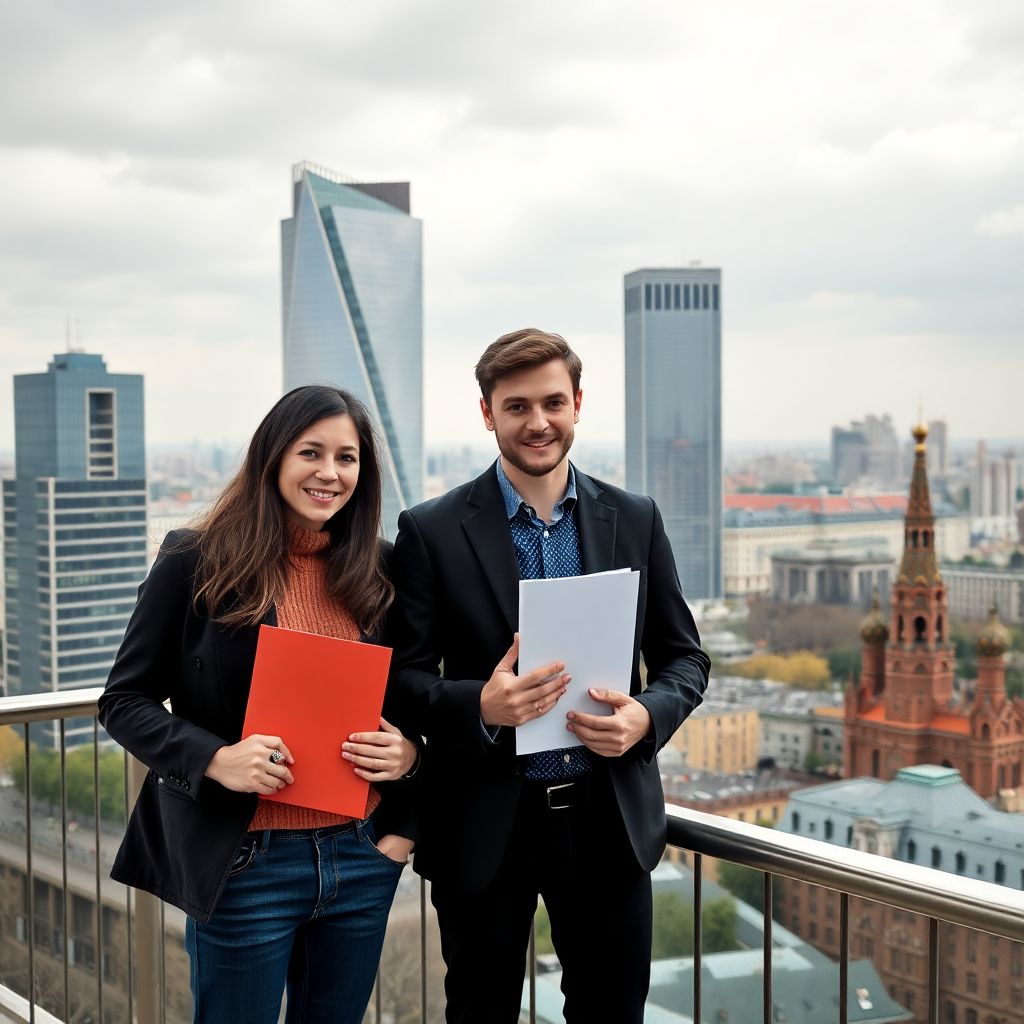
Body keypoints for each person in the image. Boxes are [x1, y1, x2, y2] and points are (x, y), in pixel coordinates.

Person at [388, 328, 711, 1024]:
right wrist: (482, 704)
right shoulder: (431, 530)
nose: (538, 422)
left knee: (611, 1015)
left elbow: (686, 657)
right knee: (480, 1012)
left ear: (577, 404)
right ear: (487, 414)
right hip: (484, 823)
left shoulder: (633, 517)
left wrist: (647, 716)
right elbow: (400, 681)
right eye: (517, 406)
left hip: (606, 820)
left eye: (553, 402)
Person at [98, 385, 420, 1024]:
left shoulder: (380, 569)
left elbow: (414, 698)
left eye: (348, 458)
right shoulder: (196, 560)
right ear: (273, 458)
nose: (330, 473)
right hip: (248, 861)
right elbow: (123, 700)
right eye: (312, 452)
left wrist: (408, 768)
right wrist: (215, 758)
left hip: (361, 855)